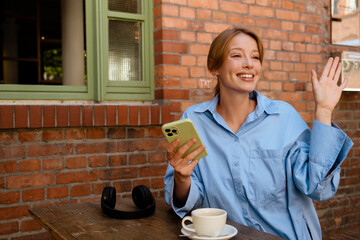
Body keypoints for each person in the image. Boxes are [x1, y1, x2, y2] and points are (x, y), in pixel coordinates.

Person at [164, 28, 353, 240]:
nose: (249, 64)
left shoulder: (284, 116)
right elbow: (188, 202)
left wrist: (324, 111)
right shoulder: (194, 120)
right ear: (214, 66)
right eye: (237, 55)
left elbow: (318, 188)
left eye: (255, 57)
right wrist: (182, 177)